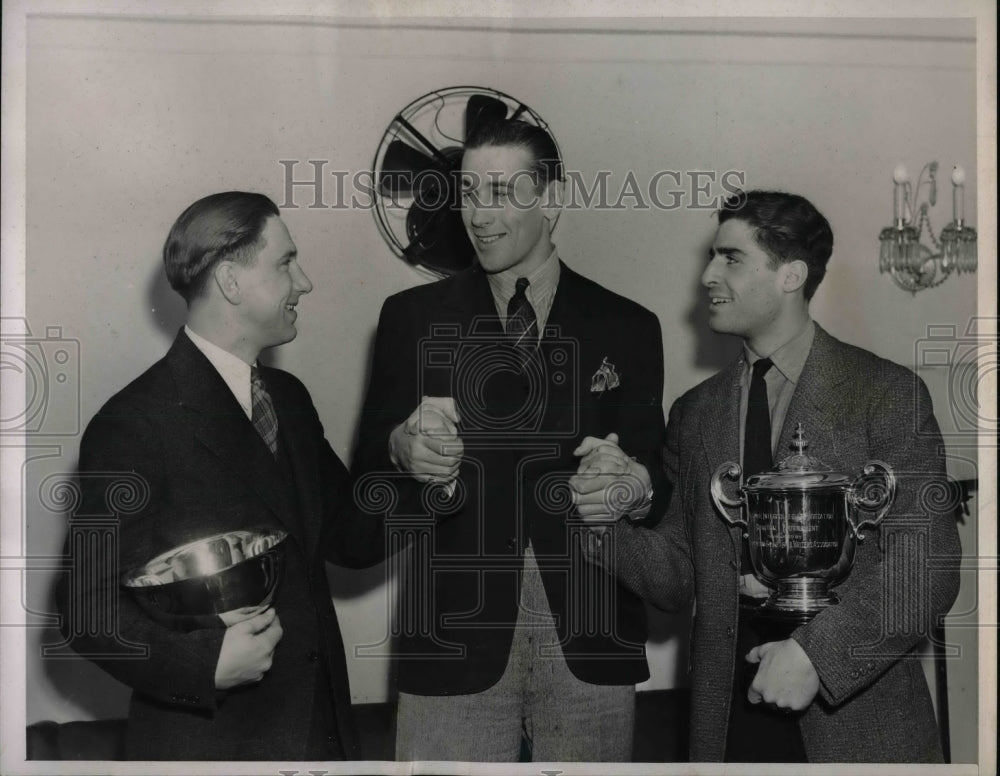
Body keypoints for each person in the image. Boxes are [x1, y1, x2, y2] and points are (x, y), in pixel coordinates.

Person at [586, 189, 962, 762]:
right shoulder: (694, 412)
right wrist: (604, 519)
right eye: (712, 256)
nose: (707, 274)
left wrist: (817, 656)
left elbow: (925, 568)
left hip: (857, 729)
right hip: (730, 726)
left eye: (730, 258)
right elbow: (678, 576)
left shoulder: (886, 394)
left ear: (791, 276)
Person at [351, 119, 668, 761]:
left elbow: (655, 484)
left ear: (551, 199)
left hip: (590, 644)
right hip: (450, 648)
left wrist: (634, 488)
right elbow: (360, 500)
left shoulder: (629, 326)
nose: (478, 214)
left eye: (500, 192)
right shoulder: (409, 321)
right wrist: (397, 450)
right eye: (469, 192)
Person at [56, 192, 377, 760]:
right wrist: (206, 665)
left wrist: (427, 471)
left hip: (320, 739)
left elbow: (350, 537)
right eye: (285, 262)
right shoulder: (133, 421)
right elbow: (86, 610)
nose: (304, 283)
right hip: (215, 749)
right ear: (230, 282)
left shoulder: (289, 400)